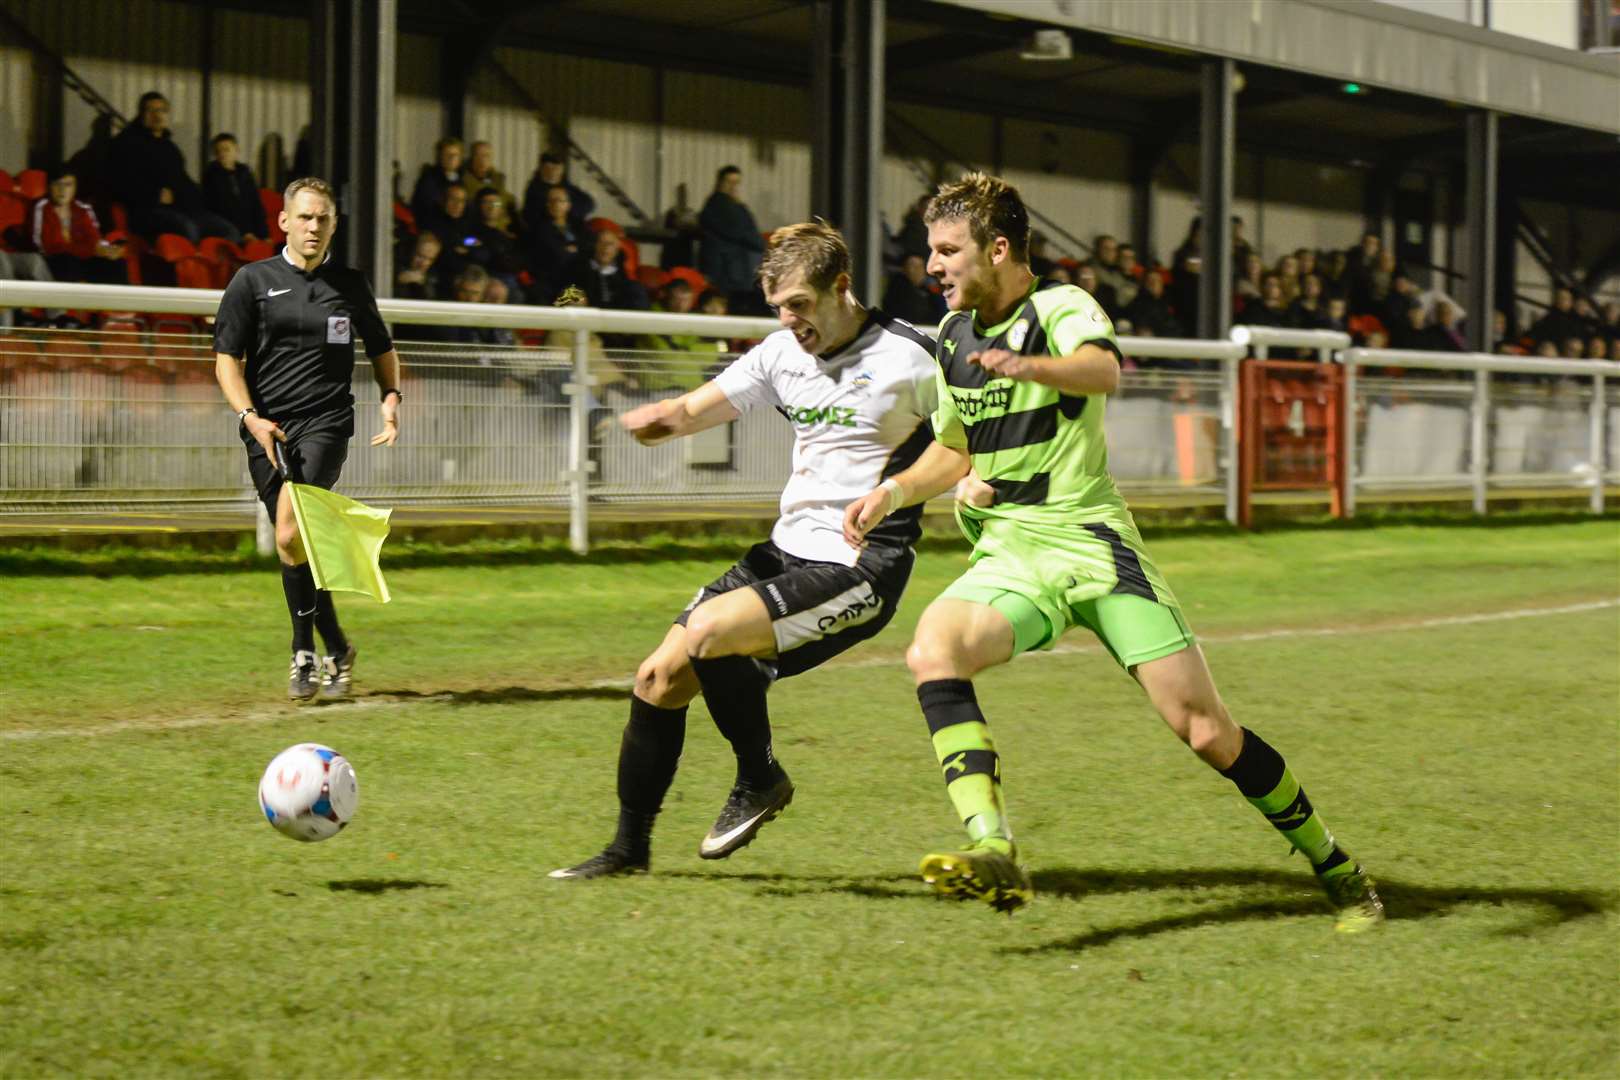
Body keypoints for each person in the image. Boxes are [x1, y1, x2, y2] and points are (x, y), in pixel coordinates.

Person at [841, 172, 1383, 932]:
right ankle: (993, 848)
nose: (931, 266)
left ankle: (1338, 869)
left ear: (998, 249)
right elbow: (954, 449)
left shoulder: (1060, 308)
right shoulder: (953, 338)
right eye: (931, 251)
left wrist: (1030, 367)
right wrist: (893, 493)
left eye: (946, 250)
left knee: (1204, 731)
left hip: (1093, 548)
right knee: (934, 652)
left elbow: (1103, 370)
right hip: (1012, 556)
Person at [550, 221, 941, 880]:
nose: (789, 321)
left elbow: (963, 448)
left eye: (798, 305)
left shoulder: (913, 357)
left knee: (710, 633)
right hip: (785, 553)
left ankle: (760, 778)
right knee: (657, 679)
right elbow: (690, 411)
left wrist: (905, 491)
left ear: (840, 287)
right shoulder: (778, 353)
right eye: (778, 309)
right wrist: (650, 421)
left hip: (860, 565)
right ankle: (627, 851)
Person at [212, 177, 403, 702]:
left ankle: (303, 652)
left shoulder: (350, 284)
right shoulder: (252, 281)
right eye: (305, 217)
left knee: (292, 529)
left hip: (326, 422)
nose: (314, 226)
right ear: (284, 221)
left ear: (334, 224)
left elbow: (382, 346)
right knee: (297, 543)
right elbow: (227, 358)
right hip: (265, 428)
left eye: (323, 218)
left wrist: (391, 397)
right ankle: (339, 648)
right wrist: (250, 416)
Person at [109, 91, 240, 244]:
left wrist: (197, 197)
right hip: (146, 212)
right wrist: (155, 195)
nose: (157, 115)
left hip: (181, 210)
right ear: (141, 114)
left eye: (162, 110)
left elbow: (182, 181)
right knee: (189, 229)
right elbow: (119, 182)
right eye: (151, 110)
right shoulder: (126, 144)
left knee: (228, 231)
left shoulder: (171, 148)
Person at [31, 168, 128, 285]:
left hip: (80, 259)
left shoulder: (83, 209)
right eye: (57, 184)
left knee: (116, 263)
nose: (62, 190)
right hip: (53, 261)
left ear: (75, 188)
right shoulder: (41, 207)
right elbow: (48, 247)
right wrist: (91, 249)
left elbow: (94, 239)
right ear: (49, 187)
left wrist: (107, 250)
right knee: (67, 260)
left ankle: (120, 301)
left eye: (68, 185)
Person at [698, 165, 765, 311]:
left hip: (734, 271)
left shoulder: (725, 205)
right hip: (728, 272)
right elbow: (746, 233)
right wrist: (763, 245)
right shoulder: (721, 206)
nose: (734, 186)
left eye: (737, 183)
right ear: (720, 182)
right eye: (730, 182)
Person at [201, 133, 268, 244]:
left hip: (251, 231)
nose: (222, 154)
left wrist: (264, 234)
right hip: (229, 229)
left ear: (236, 151)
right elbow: (223, 207)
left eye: (226, 150)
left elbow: (256, 205)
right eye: (218, 151)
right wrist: (245, 232)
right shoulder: (212, 175)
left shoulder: (244, 174)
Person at [522, 150, 595, 233]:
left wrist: (568, 212)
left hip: (570, 227)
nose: (552, 171)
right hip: (546, 231)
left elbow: (589, 203)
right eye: (548, 167)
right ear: (541, 168)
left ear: (562, 169)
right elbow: (535, 215)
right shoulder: (535, 189)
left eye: (556, 168)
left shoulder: (567, 185)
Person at [881, 252, 947, 327]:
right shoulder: (898, 290)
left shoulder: (930, 289)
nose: (917, 270)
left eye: (919, 267)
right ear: (904, 270)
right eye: (912, 266)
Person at [409, 137, 464, 225]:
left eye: (455, 155)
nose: (452, 158)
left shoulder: (462, 179)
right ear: (440, 156)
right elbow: (425, 207)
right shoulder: (429, 179)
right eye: (447, 154)